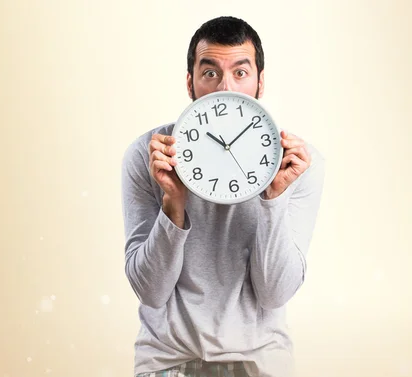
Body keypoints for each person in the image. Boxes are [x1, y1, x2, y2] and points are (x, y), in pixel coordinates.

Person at [121, 16, 326, 377]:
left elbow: (275, 293)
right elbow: (150, 291)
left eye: (241, 73)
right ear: (191, 83)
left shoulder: (296, 163)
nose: (225, 88)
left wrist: (273, 199)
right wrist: (174, 204)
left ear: (261, 83)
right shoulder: (150, 156)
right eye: (211, 73)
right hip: (167, 361)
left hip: (260, 361)